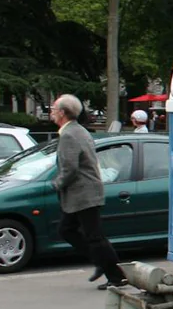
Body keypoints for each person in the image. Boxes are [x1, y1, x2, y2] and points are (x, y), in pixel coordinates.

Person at [50, 94, 124, 289]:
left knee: (94, 236)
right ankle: (102, 262)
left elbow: (70, 168)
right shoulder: (78, 130)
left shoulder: (69, 135)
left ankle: (116, 275)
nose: (52, 112)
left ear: (63, 113)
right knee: (68, 230)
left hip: (83, 193)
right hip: (85, 191)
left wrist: (57, 184)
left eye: (54, 109)